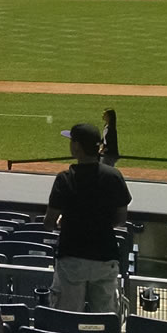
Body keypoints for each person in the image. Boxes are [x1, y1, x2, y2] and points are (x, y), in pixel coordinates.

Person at [45, 123, 131, 314]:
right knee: (105, 320)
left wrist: (64, 222)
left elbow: (48, 222)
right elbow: (121, 219)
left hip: (71, 257)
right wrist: (97, 223)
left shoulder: (65, 178)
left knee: (67, 319)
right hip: (105, 257)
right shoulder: (114, 176)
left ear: (77, 147)